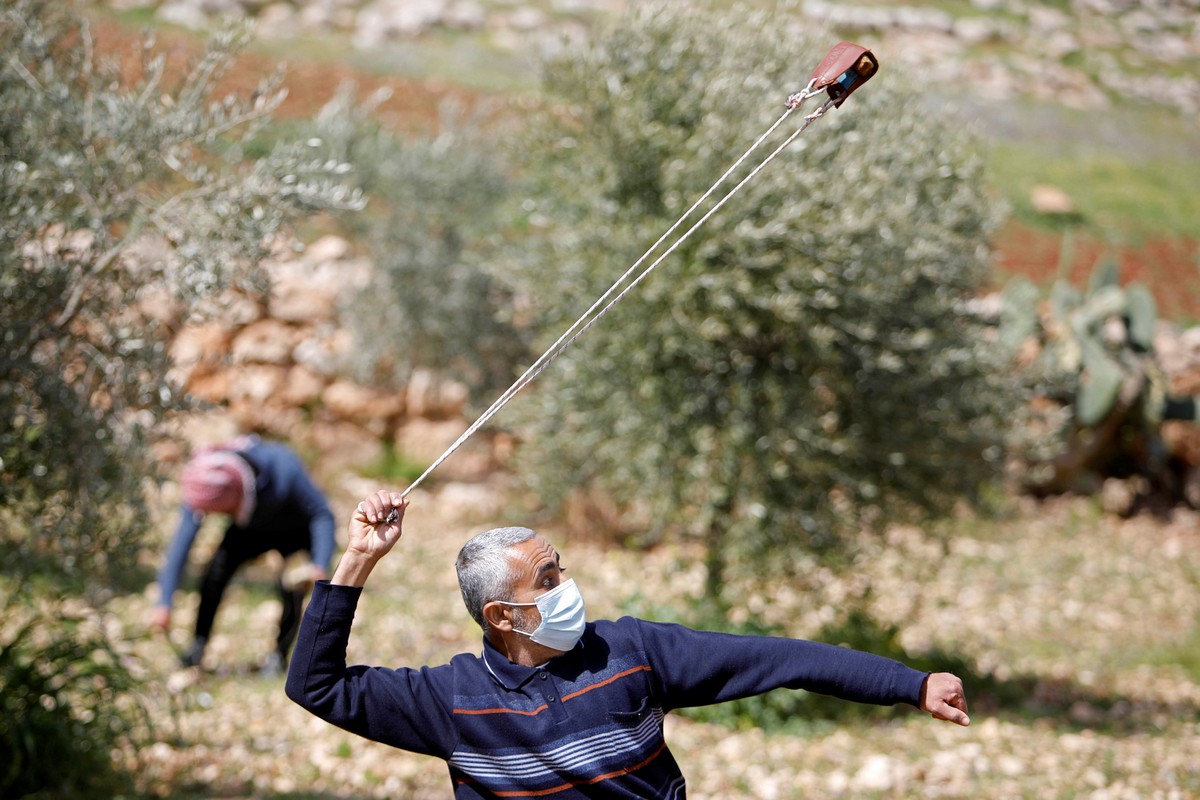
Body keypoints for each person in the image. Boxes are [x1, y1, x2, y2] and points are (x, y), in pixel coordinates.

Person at [287, 490, 971, 798]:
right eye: (547, 579)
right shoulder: (452, 700)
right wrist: (359, 559)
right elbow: (316, 686)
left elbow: (777, 658)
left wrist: (908, 684)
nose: (569, 587)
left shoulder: (633, 651)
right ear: (502, 614)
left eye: (563, 569)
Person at [152, 435, 336, 673]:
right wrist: (164, 602)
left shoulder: (284, 468)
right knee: (214, 574)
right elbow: (181, 543)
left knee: (291, 589)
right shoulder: (204, 479)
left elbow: (322, 514)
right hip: (248, 529)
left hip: (294, 529)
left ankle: (278, 657)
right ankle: (197, 647)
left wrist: (319, 564)